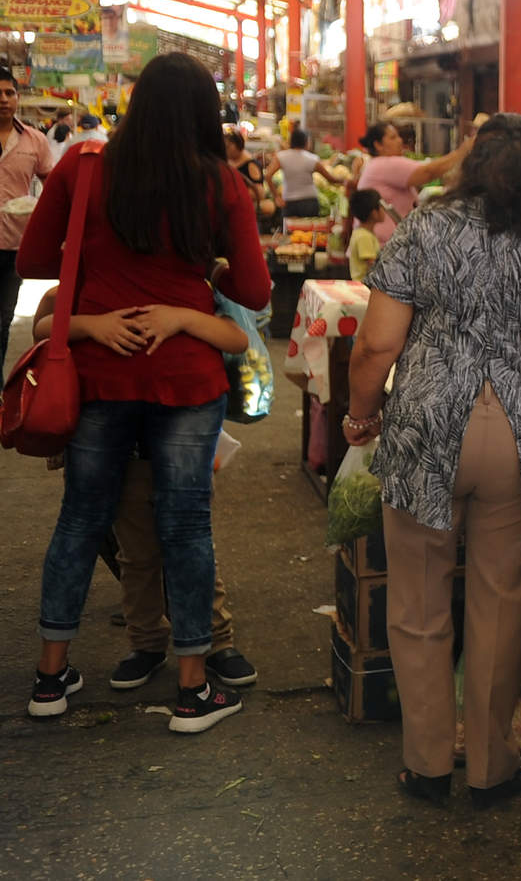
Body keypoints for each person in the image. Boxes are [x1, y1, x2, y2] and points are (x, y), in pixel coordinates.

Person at [343, 112, 521, 807]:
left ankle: (429, 762)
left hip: (425, 425)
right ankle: (492, 766)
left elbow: (377, 346)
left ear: (470, 165)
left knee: (416, 599)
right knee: (503, 602)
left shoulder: (421, 228)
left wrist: (361, 412)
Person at [16, 51, 272, 732]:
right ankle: (192, 690)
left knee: (81, 517)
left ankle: (50, 678)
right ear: (204, 113)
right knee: (185, 523)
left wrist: (100, 295)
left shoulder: (85, 167)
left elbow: (33, 259)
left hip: (98, 371)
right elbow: (254, 291)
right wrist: (198, 271)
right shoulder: (220, 183)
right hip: (186, 374)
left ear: (135, 104)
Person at [30, 286, 259, 692]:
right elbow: (45, 318)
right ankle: (147, 642)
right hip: (120, 430)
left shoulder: (191, 273)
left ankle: (217, 640)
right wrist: (91, 324)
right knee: (136, 551)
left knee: (190, 541)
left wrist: (186, 316)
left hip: (184, 419)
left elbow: (238, 335)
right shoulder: (94, 273)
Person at [0, 65, 56, 367]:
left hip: (13, 246)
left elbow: (52, 185)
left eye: (9, 93)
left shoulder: (35, 140)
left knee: (2, 320)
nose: (4, 99)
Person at [356, 121, 473, 244]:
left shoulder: (376, 164)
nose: (400, 141)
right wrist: (463, 151)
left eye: (398, 136)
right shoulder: (384, 164)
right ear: (378, 145)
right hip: (383, 244)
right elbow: (428, 172)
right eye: (393, 137)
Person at [264, 128, 339, 219]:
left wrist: (276, 197)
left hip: (289, 201)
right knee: (308, 231)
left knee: (291, 231)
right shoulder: (312, 159)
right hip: (309, 201)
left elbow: (268, 175)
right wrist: (346, 181)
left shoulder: (281, 157)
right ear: (306, 142)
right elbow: (331, 179)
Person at [225, 130, 275, 227]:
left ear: (238, 145)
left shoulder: (250, 164)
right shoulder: (229, 162)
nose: (226, 150)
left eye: (228, 146)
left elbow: (259, 192)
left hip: (246, 209)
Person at [347, 188, 386, 282]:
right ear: (374, 213)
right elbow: (372, 264)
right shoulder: (364, 237)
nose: (385, 210)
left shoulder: (364, 233)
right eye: (382, 207)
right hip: (363, 285)